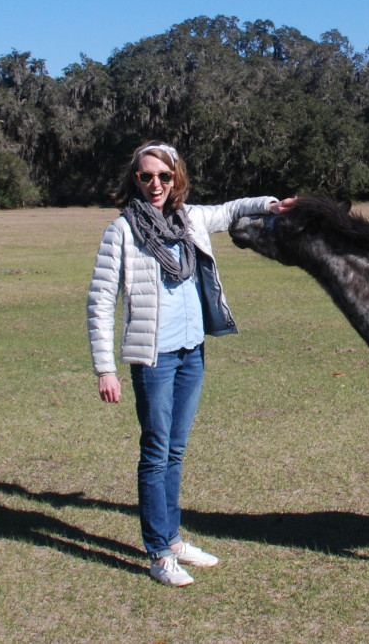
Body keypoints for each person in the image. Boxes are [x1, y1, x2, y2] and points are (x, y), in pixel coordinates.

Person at [87, 140, 294, 587]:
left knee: (175, 451)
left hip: (191, 352)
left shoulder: (191, 219)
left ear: (176, 176)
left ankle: (174, 539)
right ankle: (159, 553)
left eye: (163, 176)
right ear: (135, 179)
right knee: (156, 452)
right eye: (145, 176)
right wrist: (105, 368)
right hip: (153, 358)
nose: (155, 184)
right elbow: (101, 301)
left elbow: (233, 209)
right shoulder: (122, 231)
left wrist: (272, 204)